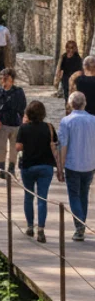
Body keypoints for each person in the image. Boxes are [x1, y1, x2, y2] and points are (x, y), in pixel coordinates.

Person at [17, 100, 61, 243]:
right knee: (42, 198)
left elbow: (18, 147)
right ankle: (41, 229)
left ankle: (30, 226)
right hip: (45, 166)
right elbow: (55, 144)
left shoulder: (24, 128)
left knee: (28, 197)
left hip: (28, 166)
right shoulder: (49, 127)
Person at [59, 91, 95, 241]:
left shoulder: (66, 121)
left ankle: (79, 226)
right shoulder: (93, 120)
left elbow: (63, 146)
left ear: (70, 104)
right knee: (84, 195)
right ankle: (81, 224)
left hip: (73, 164)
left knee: (74, 195)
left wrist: (60, 166)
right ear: (84, 103)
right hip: (89, 163)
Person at [0, 68, 27, 178]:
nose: (3, 81)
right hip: (2, 124)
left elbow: (22, 107)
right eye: (1, 78)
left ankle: (11, 169)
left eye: (6, 78)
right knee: (1, 148)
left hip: (15, 124)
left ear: (12, 79)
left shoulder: (18, 91)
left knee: (14, 148)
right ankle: (1, 169)